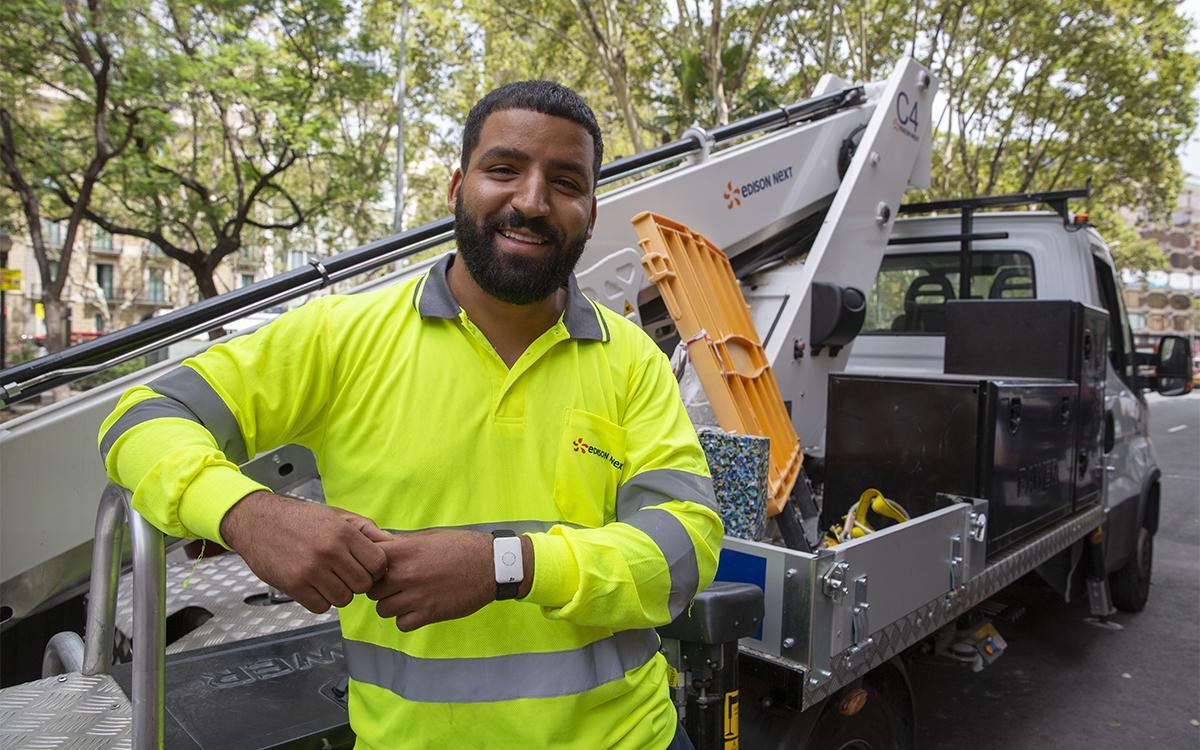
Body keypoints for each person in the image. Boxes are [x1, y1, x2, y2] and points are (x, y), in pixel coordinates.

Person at [98, 81, 722, 750]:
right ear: (458, 186)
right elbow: (142, 416)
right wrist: (246, 514)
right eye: (504, 169)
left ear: (591, 211)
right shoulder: (344, 335)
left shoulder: (631, 359)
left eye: (565, 182)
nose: (533, 201)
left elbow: (684, 548)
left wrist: (507, 565)